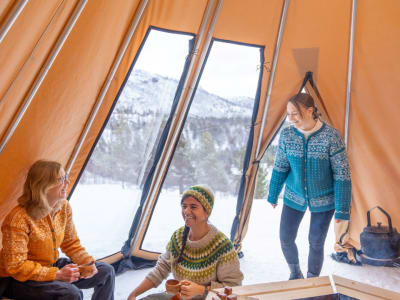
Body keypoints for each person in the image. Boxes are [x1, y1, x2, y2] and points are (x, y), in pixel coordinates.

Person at [0, 160, 115, 299]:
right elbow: (16, 266)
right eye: (61, 179)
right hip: (19, 280)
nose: (67, 182)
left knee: (106, 272)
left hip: (50, 265)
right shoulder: (18, 219)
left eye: (65, 177)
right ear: (43, 185)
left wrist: (86, 262)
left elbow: (71, 242)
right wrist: (57, 275)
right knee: (71, 294)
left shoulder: (64, 207)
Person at [267, 93, 351, 280]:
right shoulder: (287, 135)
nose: (291, 119)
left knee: (316, 241)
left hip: (324, 200)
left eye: (295, 113)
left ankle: (312, 280)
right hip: (293, 196)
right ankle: (295, 274)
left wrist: (342, 209)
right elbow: (281, 166)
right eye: (289, 114)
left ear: (310, 111)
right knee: (286, 239)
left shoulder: (331, 136)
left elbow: (342, 175)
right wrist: (273, 193)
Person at [127, 185, 243, 300]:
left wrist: (202, 290)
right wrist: (134, 293)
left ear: (207, 212)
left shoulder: (222, 246)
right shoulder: (178, 237)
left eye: (193, 206)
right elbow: (161, 269)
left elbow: (234, 288)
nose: (186, 211)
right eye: (184, 206)